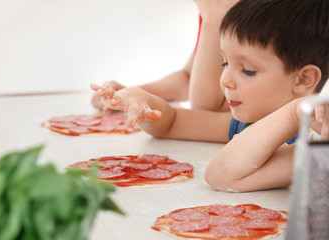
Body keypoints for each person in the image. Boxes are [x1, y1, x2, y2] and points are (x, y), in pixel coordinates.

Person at [92, 0, 329, 192]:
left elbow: (222, 176)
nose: (225, 80)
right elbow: (172, 123)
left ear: (303, 80)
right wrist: (141, 100)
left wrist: (293, 113)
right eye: (225, 63)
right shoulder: (246, 123)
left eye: (248, 70)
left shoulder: (316, 143)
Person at [91, 0, 239, 112]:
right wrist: (128, 95)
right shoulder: (213, 9)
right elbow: (188, 79)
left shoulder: (224, 11)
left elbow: (205, 110)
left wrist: (214, 17)